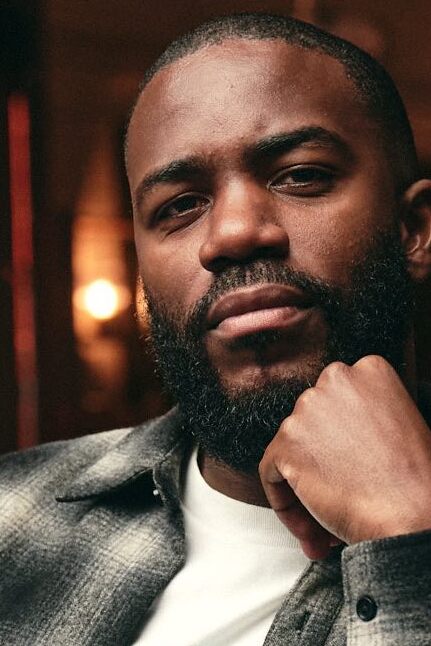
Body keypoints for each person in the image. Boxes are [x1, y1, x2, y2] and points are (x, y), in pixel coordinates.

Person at [1, 12, 431, 645]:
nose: (232, 234)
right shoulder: (11, 517)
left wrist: (409, 539)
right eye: (180, 206)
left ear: (414, 229)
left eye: (301, 174)